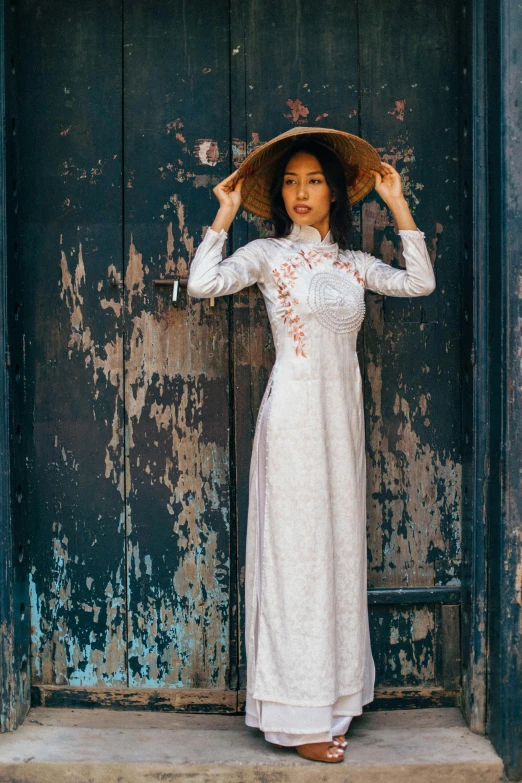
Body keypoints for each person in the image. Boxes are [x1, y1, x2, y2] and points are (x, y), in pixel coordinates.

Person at [187, 129, 436, 763]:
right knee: (295, 554)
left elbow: (419, 283)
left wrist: (398, 204)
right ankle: (296, 718)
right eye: (291, 182)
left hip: (341, 419)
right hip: (295, 415)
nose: (301, 192)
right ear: (278, 194)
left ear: (335, 192)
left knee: (335, 552)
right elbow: (203, 284)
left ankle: (332, 702)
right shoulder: (269, 254)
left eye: (314, 181)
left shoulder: (353, 264)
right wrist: (225, 211)